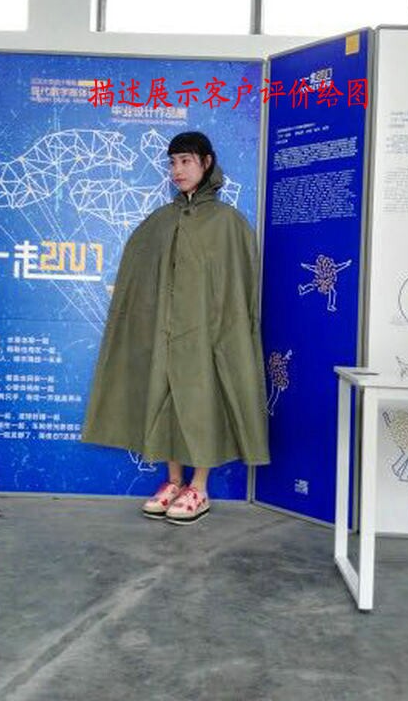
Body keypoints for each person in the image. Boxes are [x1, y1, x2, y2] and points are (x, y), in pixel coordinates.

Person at [82, 131, 269, 524]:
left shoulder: (229, 224)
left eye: (186, 161)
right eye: (172, 162)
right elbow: (138, 282)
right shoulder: (159, 222)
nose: (177, 170)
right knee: (163, 400)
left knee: (202, 404)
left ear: (207, 162)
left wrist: (222, 334)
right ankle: (173, 481)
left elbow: (239, 293)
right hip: (164, 334)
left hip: (206, 336)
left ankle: (199, 487)